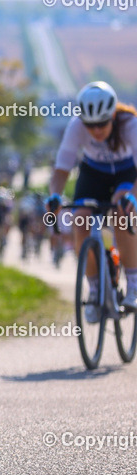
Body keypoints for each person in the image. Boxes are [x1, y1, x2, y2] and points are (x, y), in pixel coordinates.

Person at [46, 81, 137, 319]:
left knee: (121, 210)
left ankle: (134, 284)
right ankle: (95, 288)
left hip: (126, 173)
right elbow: (61, 169)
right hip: (93, 173)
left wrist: (133, 197)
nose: (96, 130)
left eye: (102, 124)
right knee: (80, 219)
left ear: (112, 117)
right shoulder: (76, 126)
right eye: (90, 125)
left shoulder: (129, 123)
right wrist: (54, 195)